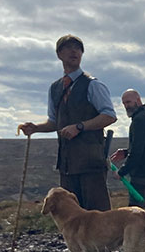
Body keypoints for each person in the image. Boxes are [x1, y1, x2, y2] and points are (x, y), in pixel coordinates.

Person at [18, 34, 117, 212]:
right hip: (67, 163)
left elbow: (109, 116)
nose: (74, 51)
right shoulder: (55, 88)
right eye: (69, 47)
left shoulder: (93, 85)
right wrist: (36, 128)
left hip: (90, 162)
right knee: (72, 217)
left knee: (98, 215)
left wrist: (80, 127)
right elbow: (55, 122)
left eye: (78, 48)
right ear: (59, 54)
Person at [109, 89, 145, 210]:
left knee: (137, 214)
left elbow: (137, 152)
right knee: (144, 211)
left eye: (128, 102)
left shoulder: (139, 120)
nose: (126, 106)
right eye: (124, 103)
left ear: (138, 100)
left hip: (143, 175)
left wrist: (121, 172)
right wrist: (125, 152)